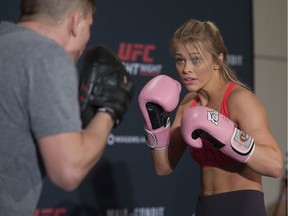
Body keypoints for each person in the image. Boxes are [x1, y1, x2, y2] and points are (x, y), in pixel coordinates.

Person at [0, 0, 134, 215]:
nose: (87, 36)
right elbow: (68, 171)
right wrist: (109, 109)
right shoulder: (48, 57)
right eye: (89, 25)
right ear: (76, 22)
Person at [138, 19, 283, 216]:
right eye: (180, 60)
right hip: (205, 206)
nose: (186, 68)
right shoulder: (189, 104)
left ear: (218, 61)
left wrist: (228, 137)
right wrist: (155, 124)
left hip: (243, 206)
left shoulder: (239, 100)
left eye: (196, 59)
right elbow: (163, 167)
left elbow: (274, 165)